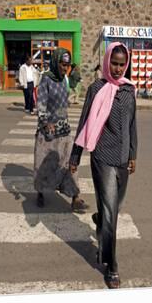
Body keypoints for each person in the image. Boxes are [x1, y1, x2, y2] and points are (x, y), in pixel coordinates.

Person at [69, 42, 137, 289]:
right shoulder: (96, 88)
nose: (118, 68)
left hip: (122, 159)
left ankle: (100, 218)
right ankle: (111, 265)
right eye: (114, 63)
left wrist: (133, 153)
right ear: (107, 61)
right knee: (112, 217)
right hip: (102, 158)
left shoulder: (130, 90)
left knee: (112, 210)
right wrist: (75, 156)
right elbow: (85, 120)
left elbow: (132, 124)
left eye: (122, 64)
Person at [34, 48, 89, 213]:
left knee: (69, 164)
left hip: (64, 129)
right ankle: (41, 193)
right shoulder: (46, 79)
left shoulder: (64, 78)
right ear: (55, 62)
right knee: (45, 166)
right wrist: (45, 122)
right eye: (62, 64)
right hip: (48, 132)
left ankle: (75, 197)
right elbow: (41, 103)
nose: (65, 68)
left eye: (67, 65)